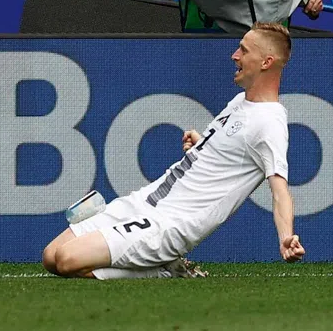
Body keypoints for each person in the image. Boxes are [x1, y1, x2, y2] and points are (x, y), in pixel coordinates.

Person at [41, 23, 302, 278]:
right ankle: (157, 265)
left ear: (266, 62)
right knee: (51, 256)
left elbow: (280, 191)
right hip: (147, 199)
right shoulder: (240, 102)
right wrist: (202, 143)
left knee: (68, 260)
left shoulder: (270, 123)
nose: (234, 55)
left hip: (170, 224)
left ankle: (162, 270)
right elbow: (230, 152)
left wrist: (285, 237)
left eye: (244, 50)